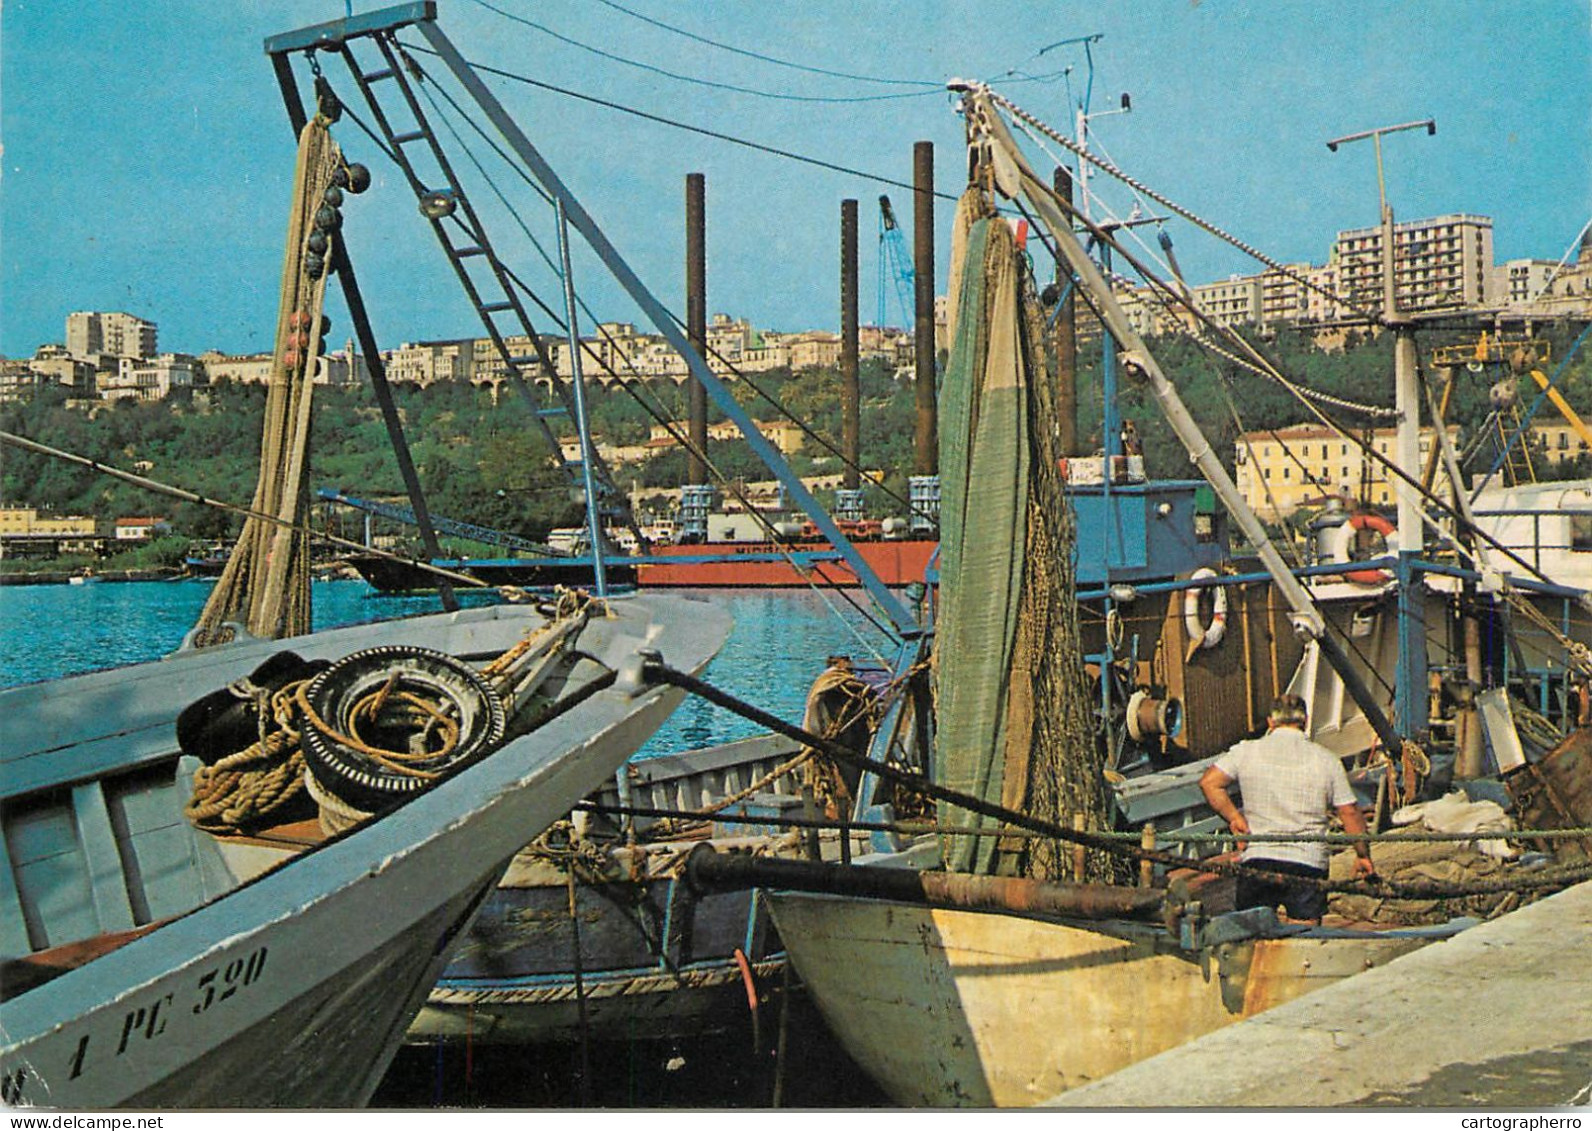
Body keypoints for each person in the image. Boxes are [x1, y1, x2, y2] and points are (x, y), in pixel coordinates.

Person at [1199, 693, 1375, 923]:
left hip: (1258, 860)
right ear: (1306, 722)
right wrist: (1363, 855)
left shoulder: (1246, 751)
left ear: (1271, 722)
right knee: (1306, 942)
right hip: (1307, 863)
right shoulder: (1326, 760)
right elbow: (1349, 812)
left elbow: (1210, 782)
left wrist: (1235, 818)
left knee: (1252, 939)